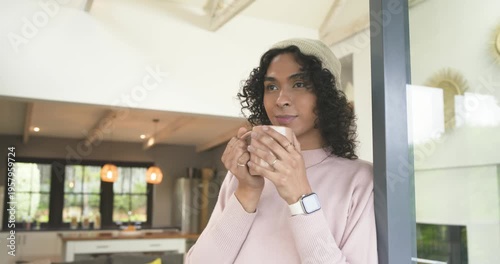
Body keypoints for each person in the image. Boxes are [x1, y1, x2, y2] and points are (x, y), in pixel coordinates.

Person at [185, 38, 377, 264]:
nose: (281, 100)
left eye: (299, 84)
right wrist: (247, 191)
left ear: (327, 95)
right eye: (272, 87)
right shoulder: (244, 173)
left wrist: (300, 197)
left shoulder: (360, 180)